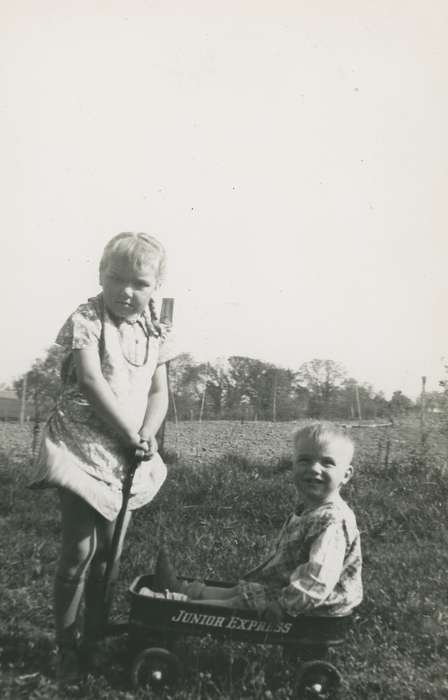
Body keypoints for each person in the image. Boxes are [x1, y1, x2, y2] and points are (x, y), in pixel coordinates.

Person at [31, 232, 175, 683]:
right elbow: (92, 382)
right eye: (116, 279)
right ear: (100, 275)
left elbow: (158, 389)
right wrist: (129, 431)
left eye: (139, 283)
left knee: (110, 553)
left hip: (127, 450)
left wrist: (147, 433)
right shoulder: (87, 318)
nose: (126, 292)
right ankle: (66, 643)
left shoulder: (156, 328)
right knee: (79, 548)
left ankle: (94, 636)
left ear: (156, 286)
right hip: (83, 442)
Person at [154, 422, 363, 622]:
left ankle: (177, 609)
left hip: (315, 607)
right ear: (293, 465)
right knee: (240, 591)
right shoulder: (311, 510)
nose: (314, 469)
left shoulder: (332, 521)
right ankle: (182, 590)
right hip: (293, 591)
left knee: (239, 604)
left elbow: (319, 579)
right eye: (305, 460)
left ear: (346, 475)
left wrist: (283, 605)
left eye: (327, 463)